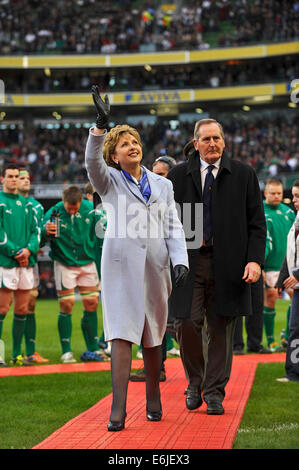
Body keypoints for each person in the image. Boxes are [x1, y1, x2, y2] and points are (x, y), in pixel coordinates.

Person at [85, 85, 189, 432]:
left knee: (154, 331)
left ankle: (154, 397)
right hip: (119, 267)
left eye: (135, 141)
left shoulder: (162, 185)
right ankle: (118, 409)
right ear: (114, 155)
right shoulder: (108, 180)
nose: (132, 145)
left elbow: (174, 226)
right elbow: (90, 161)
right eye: (124, 143)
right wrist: (100, 127)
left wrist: (180, 260)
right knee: (120, 332)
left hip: (156, 266)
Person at [167, 118, 266, 415]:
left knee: (222, 328)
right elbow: (166, 222)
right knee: (184, 322)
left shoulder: (244, 175)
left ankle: (213, 392)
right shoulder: (177, 176)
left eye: (217, 138)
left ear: (224, 142)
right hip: (188, 263)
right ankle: (194, 382)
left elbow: (256, 224)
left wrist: (254, 260)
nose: (212, 144)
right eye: (206, 139)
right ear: (195, 144)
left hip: (229, 264)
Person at [129, 155, 180, 383]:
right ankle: (155, 367)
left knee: (178, 321)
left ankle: (194, 366)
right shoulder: (148, 198)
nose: (154, 178)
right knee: (151, 315)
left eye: (161, 174)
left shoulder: (180, 199)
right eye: (154, 173)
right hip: (154, 266)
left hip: (177, 266)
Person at [41, 185, 105, 364]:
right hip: (64, 262)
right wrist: (45, 231)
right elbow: (42, 235)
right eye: (69, 208)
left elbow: (102, 230)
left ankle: (93, 349)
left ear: (81, 202)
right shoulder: (54, 212)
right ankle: (66, 351)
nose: (72, 211)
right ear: (63, 202)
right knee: (67, 304)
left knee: (92, 302)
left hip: (87, 261)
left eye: (75, 208)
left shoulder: (90, 209)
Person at [0, 164, 39, 366]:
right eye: (10, 176)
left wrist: (28, 250)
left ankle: (16, 355)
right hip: (5, 262)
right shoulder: (0, 202)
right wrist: (16, 251)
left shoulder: (27, 204)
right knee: (2, 309)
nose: (14, 179)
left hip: (25, 262)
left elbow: (35, 231)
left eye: (17, 176)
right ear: (2, 179)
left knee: (22, 310)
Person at [17, 168, 49, 363]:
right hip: (7, 261)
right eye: (21, 178)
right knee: (4, 307)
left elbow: (39, 236)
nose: (26, 181)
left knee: (29, 305)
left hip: (30, 262)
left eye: (27, 178)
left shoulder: (37, 206)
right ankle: (10, 353)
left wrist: (45, 234)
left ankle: (30, 352)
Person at [263, 179, 295, 352]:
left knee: (294, 297)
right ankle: (270, 341)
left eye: (279, 194)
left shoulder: (289, 212)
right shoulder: (260, 210)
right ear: (265, 193)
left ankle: (288, 336)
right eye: (273, 193)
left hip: (287, 266)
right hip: (269, 265)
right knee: (270, 298)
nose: (276, 196)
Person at [276, 180, 299, 382]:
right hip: (297, 286)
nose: (294, 200)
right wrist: (282, 278)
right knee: (295, 329)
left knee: (295, 329)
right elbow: (290, 254)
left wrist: (297, 274)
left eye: (298, 196)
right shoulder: (296, 220)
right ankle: (293, 373)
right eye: (294, 196)